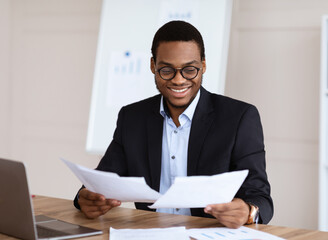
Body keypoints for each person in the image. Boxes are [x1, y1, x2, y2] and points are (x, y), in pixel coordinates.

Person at [74, 20, 273, 228]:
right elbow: (101, 181)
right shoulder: (132, 117)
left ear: (203, 65)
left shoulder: (240, 117)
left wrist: (248, 211)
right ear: (153, 66)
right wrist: (85, 198)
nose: (178, 80)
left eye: (189, 70)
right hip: (149, 233)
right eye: (167, 70)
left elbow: (260, 197)